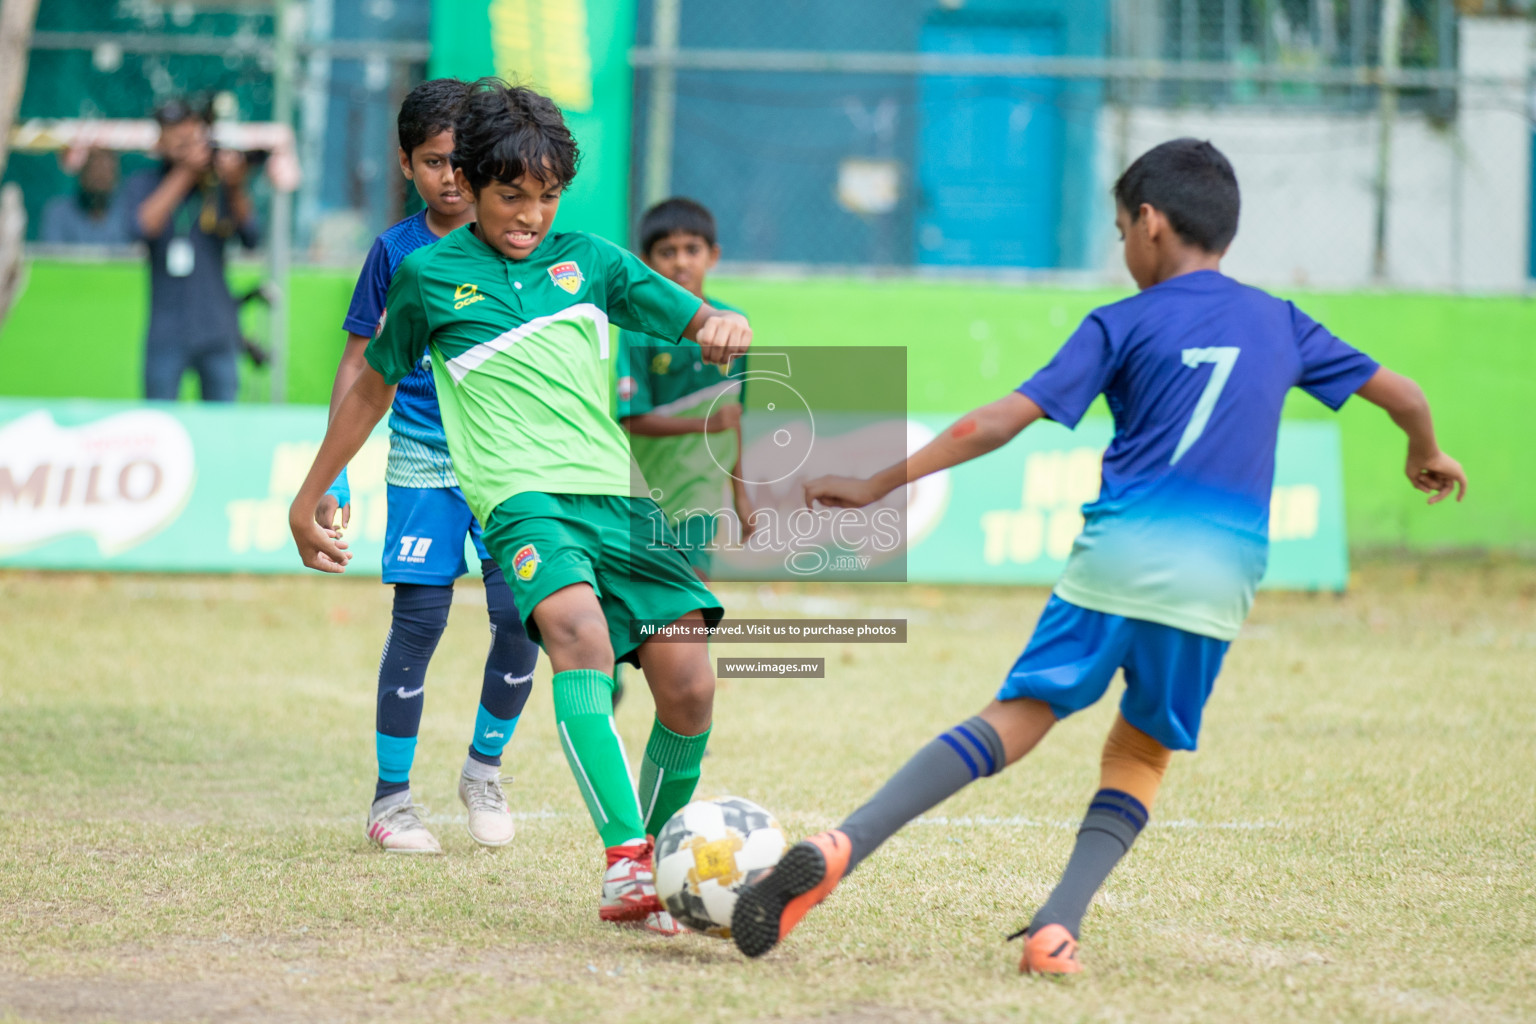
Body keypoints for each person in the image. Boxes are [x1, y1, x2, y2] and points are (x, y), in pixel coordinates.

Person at [730, 138, 1469, 972]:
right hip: (1219, 579)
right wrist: (1425, 452)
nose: (1123, 246)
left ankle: (841, 846)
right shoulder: (1281, 320)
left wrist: (878, 483)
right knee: (1143, 748)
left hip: (1118, 559)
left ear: (1150, 223)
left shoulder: (1121, 322)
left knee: (1017, 717)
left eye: (1121, 228)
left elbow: (997, 421)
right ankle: (1057, 927)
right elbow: (1404, 394)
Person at [286, 80, 752, 932]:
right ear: (468, 180)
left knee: (688, 687)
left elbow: (701, 319)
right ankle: (623, 865)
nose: (531, 214)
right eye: (512, 195)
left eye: (547, 196)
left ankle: (652, 864)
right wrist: (314, 489)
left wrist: (726, 324)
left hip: (618, 496)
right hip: (522, 501)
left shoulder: (595, 261)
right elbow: (370, 386)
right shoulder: (428, 277)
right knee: (574, 635)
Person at [313, 78, 540, 857]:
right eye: (433, 162)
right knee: (420, 622)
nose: (450, 177)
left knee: (522, 618)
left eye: (461, 162)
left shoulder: (518, 241)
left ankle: (484, 770)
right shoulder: (394, 252)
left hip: (507, 463)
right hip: (421, 458)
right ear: (407, 165)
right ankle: (391, 800)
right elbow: (357, 367)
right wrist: (334, 472)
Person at [617, 197, 753, 581]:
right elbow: (630, 418)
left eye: (692, 250)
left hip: (701, 494)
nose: (680, 262)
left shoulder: (733, 327)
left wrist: (742, 497)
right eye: (667, 252)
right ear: (645, 260)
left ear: (713, 255)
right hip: (644, 491)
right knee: (644, 610)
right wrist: (703, 425)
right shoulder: (635, 330)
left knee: (693, 590)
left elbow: (733, 419)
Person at [120, 98, 260, 402]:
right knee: (159, 421)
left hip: (218, 329)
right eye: (177, 139)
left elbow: (251, 236)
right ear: (160, 142)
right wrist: (184, 172)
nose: (187, 146)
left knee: (221, 425)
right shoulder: (144, 183)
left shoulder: (218, 185)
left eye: (191, 138)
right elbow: (141, 228)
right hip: (166, 330)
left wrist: (235, 185)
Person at [40, 147, 132, 246]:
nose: (100, 174)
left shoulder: (129, 213)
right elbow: (51, 257)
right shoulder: (57, 212)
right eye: (94, 166)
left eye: (106, 168)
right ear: (82, 173)